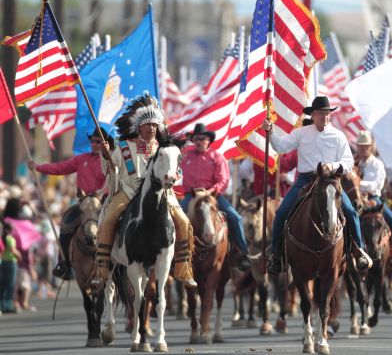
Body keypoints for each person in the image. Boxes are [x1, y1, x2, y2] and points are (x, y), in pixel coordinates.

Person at [90, 94, 196, 290]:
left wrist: (172, 177)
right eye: (148, 125)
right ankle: (102, 269)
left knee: (184, 221)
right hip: (128, 191)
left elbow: (176, 170)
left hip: (161, 192)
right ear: (139, 127)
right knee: (108, 219)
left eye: (155, 125)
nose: (152, 129)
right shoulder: (123, 147)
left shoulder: (164, 147)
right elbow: (112, 168)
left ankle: (184, 268)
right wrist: (106, 155)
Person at [262, 96, 371, 275]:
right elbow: (281, 146)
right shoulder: (302, 133)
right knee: (281, 213)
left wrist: (333, 166)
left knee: (350, 211)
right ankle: (276, 254)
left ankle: (358, 250)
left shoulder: (338, 135)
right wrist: (271, 132)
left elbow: (349, 163)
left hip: (330, 181)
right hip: (306, 180)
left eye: (327, 113)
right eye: (321, 113)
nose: (325, 116)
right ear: (313, 115)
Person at [27, 128, 112, 280]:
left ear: (104, 143)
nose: (94, 144)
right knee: (66, 223)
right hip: (84, 204)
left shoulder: (111, 159)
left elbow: (117, 175)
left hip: (104, 202)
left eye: (98, 141)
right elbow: (60, 168)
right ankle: (63, 262)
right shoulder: (81, 159)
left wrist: (109, 156)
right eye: (92, 141)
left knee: (120, 222)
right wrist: (38, 167)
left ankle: (122, 260)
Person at [180, 123, 250, 271]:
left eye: (202, 138)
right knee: (174, 218)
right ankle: (172, 253)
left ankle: (242, 252)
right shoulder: (185, 155)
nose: (199, 141)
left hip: (212, 196)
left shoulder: (217, 157)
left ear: (208, 140)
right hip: (191, 196)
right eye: (196, 139)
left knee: (234, 216)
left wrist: (211, 192)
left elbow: (223, 179)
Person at [355, 131, 392, 268]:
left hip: (373, 198)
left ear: (371, 147)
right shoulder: (354, 163)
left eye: (366, 146)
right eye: (360, 146)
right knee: (351, 220)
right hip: (357, 199)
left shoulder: (377, 164)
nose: (363, 149)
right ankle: (356, 250)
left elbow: (378, 185)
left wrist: (359, 184)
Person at [0, 221, 21, 313]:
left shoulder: (2, 238)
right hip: (11, 262)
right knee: (11, 284)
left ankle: (2, 305)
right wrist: (19, 255)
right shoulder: (10, 239)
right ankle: (9, 305)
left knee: (3, 284)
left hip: (2, 262)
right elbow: (13, 250)